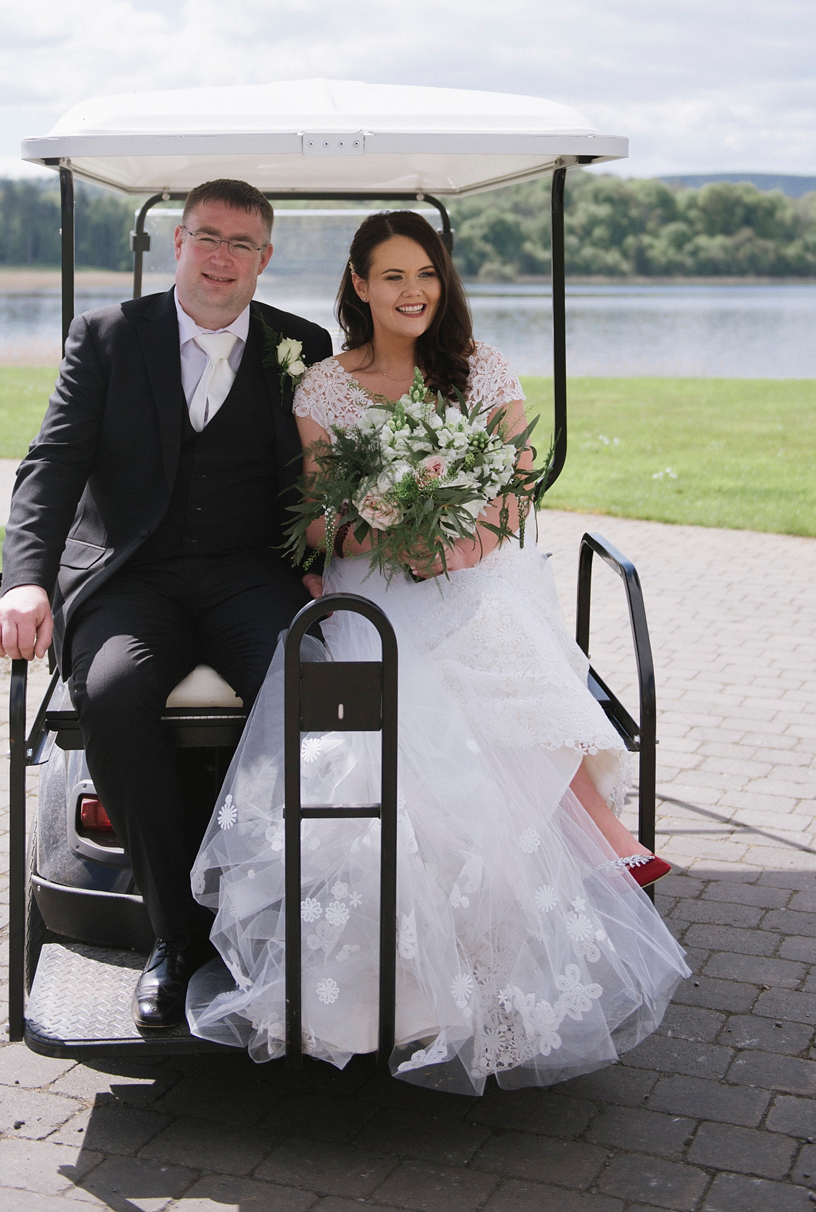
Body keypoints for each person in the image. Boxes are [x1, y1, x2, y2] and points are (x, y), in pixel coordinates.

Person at [187, 210, 690, 1093]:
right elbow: (318, 520)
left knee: (488, 621)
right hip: (372, 584)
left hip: (477, 571)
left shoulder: (484, 369)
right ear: (359, 285)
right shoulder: (325, 390)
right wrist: (379, 523)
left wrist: (454, 544)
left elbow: (511, 493)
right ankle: (406, 985)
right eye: (391, 277)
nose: (412, 291)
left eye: (425, 273)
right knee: (412, 685)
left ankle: (569, 868)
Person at [0, 178, 332, 1031]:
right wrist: (25, 579)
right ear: (177, 243)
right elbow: (52, 465)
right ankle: (175, 937)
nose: (221, 258)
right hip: (132, 575)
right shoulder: (108, 337)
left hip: (251, 573)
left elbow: (319, 473)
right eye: (207, 238)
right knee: (110, 692)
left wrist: (324, 563)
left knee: (311, 685)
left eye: (241, 245)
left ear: (265, 258)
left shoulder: (301, 343)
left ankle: (277, 910)